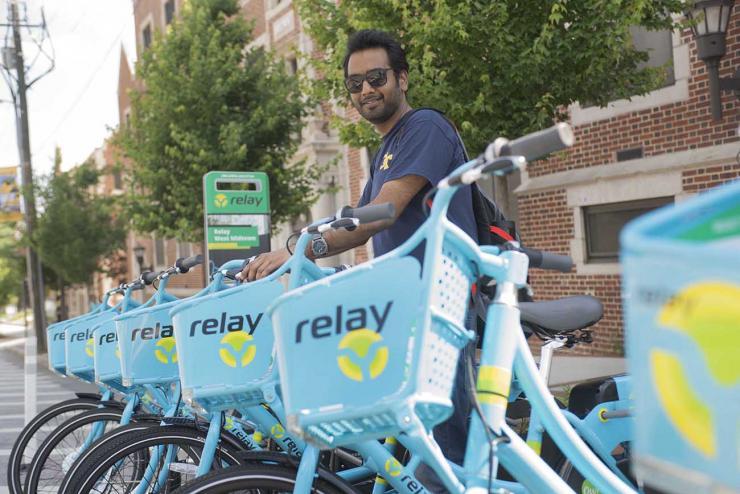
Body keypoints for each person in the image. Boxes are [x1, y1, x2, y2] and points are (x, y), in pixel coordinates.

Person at [239, 29, 477, 491]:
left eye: (376, 77)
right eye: (355, 84)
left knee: (449, 441)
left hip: (441, 299)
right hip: (407, 303)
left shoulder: (424, 127)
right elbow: (354, 222)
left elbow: (379, 214)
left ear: (402, 79)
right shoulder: (386, 148)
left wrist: (298, 249)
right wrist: (297, 247)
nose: (366, 90)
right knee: (420, 434)